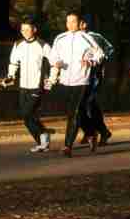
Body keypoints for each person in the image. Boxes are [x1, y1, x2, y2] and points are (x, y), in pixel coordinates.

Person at [45, 12, 106, 157]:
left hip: (82, 80)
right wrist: (55, 68)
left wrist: (91, 61)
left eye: (73, 21)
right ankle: (91, 133)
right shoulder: (60, 38)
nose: (70, 24)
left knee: (74, 112)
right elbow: (53, 57)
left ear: (79, 23)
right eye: (68, 21)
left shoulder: (86, 37)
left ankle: (67, 146)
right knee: (76, 112)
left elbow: (100, 54)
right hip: (65, 80)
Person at [2, 18, 53, 153]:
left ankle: (44, 134)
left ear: (34, 30)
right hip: (23, 85)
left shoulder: (43, 45)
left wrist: (52, 78)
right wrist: (10, 76)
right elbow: (13, 62)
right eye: (22, 30)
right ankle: (42, 141)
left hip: (37, 86)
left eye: (27, 29)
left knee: (27, 113)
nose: (24, 32)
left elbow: (55, 61)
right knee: (26, 117)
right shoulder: (18, 44)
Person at [77, 16, 114, 147]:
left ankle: (100, 132)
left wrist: (97, 63)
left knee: (89, 105)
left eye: (78, 22)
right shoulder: (73, 38)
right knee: (81, 106)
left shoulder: (95, 37)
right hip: (77, 78)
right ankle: (91, 131)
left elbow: (109, 49)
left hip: (93, 77)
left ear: (84, 24)